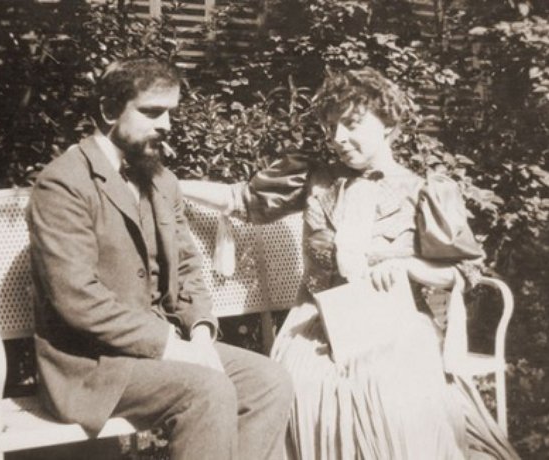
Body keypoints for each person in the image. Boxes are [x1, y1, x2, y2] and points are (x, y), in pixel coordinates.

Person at [180, 68, 519, 459]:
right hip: (316, 326)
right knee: (304, 389)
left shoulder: (423, 190)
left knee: (393, 399)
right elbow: (238, 199)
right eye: (330, 128)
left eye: (351, 125)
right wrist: (167, 183)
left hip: (395, 327)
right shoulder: (314, 179)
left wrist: (410, 266)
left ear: (388, 124)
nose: (338, 138)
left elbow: (462, 273)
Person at [26, 56, 293, 460]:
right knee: (207, 388)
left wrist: (199, 332)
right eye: (152, 112)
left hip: (161, 352)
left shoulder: (162, 181)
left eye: (170, 113)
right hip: (91, 367)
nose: (166, 124)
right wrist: (170, 344)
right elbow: (76, 299)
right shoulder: (63, 183)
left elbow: (186, 268)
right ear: (109, 110)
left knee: (268, 380)